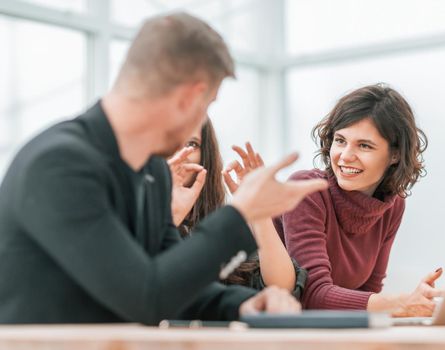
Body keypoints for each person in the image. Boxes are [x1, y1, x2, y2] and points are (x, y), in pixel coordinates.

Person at [0, 12, 328, 325]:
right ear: (189, 97)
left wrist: (242, 304)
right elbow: (145, 296)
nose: (201, 123)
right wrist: (240, 214)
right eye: (207, 106)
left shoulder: (153, 172)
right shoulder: (58, 166)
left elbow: (174, 287)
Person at [271, 84, 444, 317]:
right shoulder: (307, 191)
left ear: (394, 154)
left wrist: (403, 305)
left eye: (364, 145)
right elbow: (312, 295)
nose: (345, 156)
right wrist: (399, 303)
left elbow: (368, 291)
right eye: (340, 140)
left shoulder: (392, 205)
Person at [168, 121, 307, 298]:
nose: (182, 154)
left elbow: (282, 288)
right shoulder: (127, 214)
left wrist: (259, 211)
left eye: (192, 144)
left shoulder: (218, 223)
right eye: (169, 140)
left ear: (205, 157)